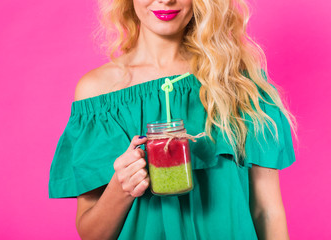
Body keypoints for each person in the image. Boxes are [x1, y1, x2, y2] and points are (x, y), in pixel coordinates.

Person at [49, 0, 297, 239]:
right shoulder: (98, 92)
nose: (166, 0)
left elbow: (267, 212)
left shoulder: (239, 83)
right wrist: (121, 187)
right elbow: (92, 234)